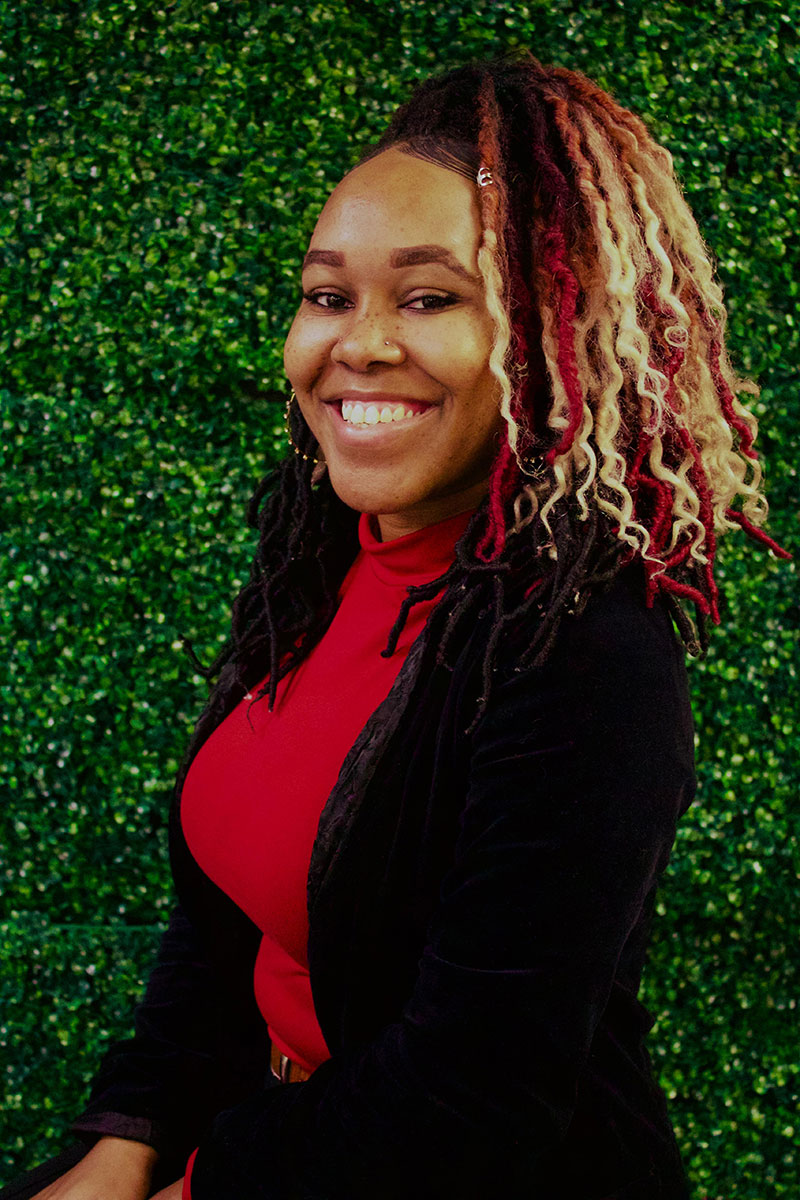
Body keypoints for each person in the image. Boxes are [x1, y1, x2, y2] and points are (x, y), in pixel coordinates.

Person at [3, 49, 788, 1200]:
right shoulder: (316, 564)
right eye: (328, 296)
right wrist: (126, 1137)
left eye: (429, 298)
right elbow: (224, 933)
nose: (358, 345)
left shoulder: (585, 661)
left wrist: (194, 1189)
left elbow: (470, 1103)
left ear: (551, 337)